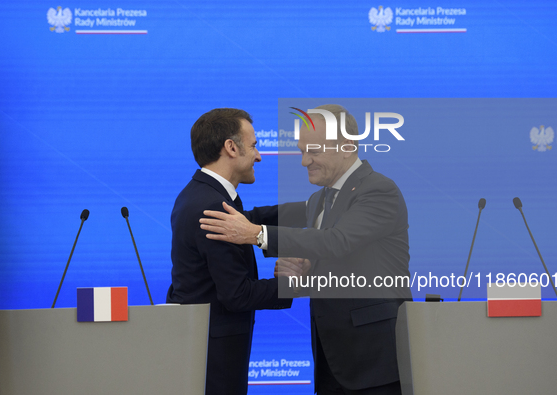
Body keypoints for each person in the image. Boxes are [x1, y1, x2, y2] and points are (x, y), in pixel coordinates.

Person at [200, 104, 412, 394]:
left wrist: (256, 235)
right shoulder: (319, 199)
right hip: (332, 360)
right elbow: (270, 215)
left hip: (374, 363)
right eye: (301, 151)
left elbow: (337, 242)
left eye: (313, 150)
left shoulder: (378, 191)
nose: (304, 161)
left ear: (348, 146)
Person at [166, 108, 304, 395]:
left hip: (203, 347)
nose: (259, 155)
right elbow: (237, 294)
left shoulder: (200, 193)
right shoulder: (212, 205)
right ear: (231, 147)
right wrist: (293, 283)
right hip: (216, 359)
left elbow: (247, 221)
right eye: (254, 145)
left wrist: (311, 211)